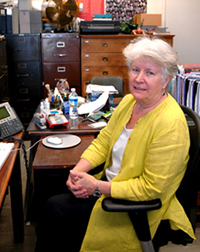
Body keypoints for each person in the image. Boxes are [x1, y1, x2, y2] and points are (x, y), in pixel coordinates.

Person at [35, 37, 195, 252]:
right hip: (112, 187)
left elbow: (151, 188)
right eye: (135, 69)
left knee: (56, 209)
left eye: (150, 73)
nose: (139, 79)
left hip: (133, 206)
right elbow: (103, 141)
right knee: (47, 187)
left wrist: (98, 187)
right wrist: (76, 172)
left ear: (165, 79)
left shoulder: (170, 124)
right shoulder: (129, 102)